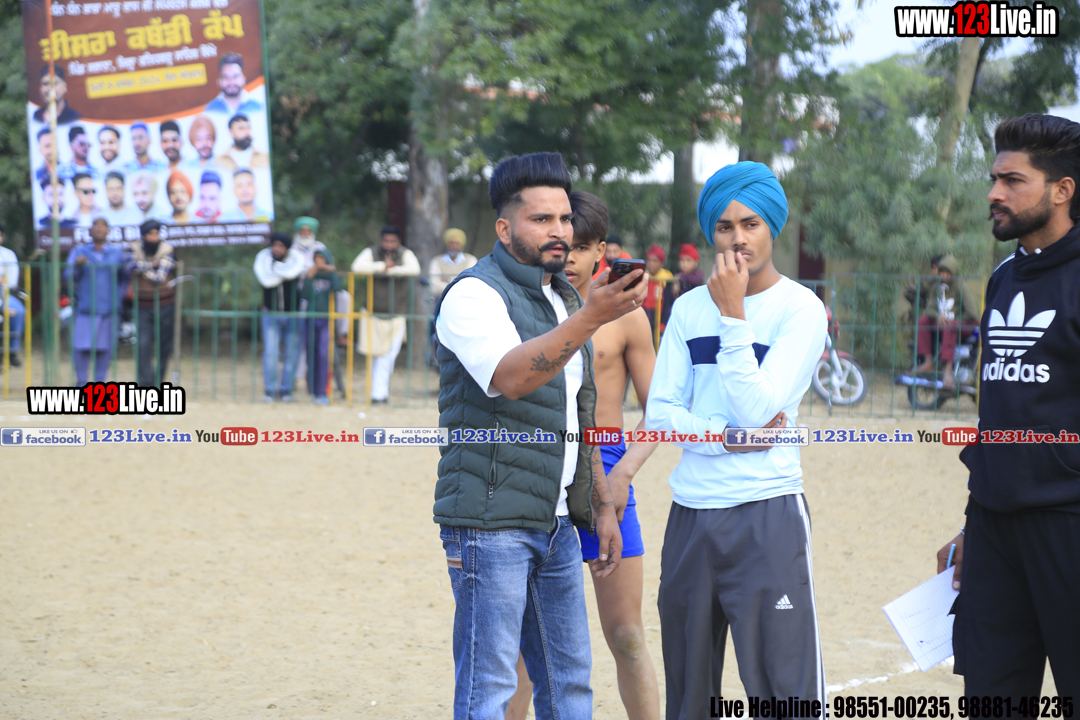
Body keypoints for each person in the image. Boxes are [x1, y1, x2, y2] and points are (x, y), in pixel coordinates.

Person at [433, 152, 644, 719]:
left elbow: (579, 416)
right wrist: (591, 317)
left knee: (570, 685)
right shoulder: (473, 293)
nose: (560, 232)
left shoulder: (561, 298)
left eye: (565, 219)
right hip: (490, 524)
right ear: (505, 229)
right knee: (488, 690)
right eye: (542, 219)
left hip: (557, 526)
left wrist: (601, 505)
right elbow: (511, 377)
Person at [646, 161, 828, 715]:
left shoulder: (801, 309)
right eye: (725, 227)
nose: (738, 238)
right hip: (691, 515)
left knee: (784, 690)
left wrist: (732, 315)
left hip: (766, 512)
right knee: (688, 694)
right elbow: (661, 414)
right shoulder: (686, 308)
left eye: (750, 224)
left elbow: (758, 408)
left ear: (772, 227)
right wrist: (725, 437)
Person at [937, 113, 1080, 697]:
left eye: (1013, 180)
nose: (995, 193)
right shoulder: (1003, 278)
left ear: (1062, 190)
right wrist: (974, 522)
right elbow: (998, 414)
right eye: (994, 179)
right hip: (994, 531)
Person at [507, 189, 662, 720]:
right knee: (525, 644)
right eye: (564, 244)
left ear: (601, 251)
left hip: (608, 467)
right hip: (540, 468)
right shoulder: (523, 310)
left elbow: (660, 411)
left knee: (627, 633)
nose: (569, 256)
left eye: (582, 246)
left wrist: (624, 474)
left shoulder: (629, 319)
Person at [351, 225, 420, 404]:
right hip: (372, 312)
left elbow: (414, 269)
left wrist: (392, 269)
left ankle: (379, 394)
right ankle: (377, 393)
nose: (389, 244)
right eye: (386, 241)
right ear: (381, 240)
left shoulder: (405, 254)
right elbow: (357, 266)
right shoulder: (372, 252)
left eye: (392, 241)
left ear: (398, 241)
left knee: (388, 355)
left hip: (396, 314)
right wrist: (381, 266)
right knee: (374, 355)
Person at [66, 217, 127, 384]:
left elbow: (125, 278)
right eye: (96, 225)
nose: (99, 228)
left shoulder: (117, 253)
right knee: (80, 348)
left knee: (105, 350)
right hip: (85, 308)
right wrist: (77, 266)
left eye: (103, 225)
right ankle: (81, 385)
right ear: (90, 230)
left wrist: (118, 297)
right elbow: (67, 275)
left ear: (108, 231)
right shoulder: (79, 251)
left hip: (110, 310)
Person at [254, 232, 305, 402]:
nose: (276, 249)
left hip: (293, 314)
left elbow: (292, 274)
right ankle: (269, 390)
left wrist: (280, 272)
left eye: (281, 246)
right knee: (271, 353)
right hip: (271, 313)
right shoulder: (264, 261)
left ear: (287, 248)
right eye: (274, 245)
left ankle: (286, 390)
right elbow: (266, 280)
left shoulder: (295, 262)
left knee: (291, 354)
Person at [913, 254, 979, 386]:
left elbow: (972, 312)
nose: (944, 275)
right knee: (923, 321)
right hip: (944, 323)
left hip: (963, 324)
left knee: (951, 326)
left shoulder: (961, 286)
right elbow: (930, 308)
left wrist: (953, 319)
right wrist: (938, 315)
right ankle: (928, 362)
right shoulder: (937, 287)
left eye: (947, 272)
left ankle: (948, 371)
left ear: (953, 272)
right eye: (941, 272)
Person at [126, 220, 177, 387]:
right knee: (142, 345)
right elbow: (129, 266)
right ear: (144, 236)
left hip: (165, 304)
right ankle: (145, 385)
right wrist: (152, 265)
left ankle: (158, 382)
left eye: (157, 234)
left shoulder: (167, 249)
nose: (155, 238)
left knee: (164, 346)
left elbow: (159, 278)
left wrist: (142, 269)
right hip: (142, 305)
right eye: (151, 234)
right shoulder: (134, 248)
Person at [301, 248, 344, 404]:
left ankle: (322, 391)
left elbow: (338, 288)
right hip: (310, 318)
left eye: (321, 258)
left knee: (323, 354)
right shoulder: (311, 274)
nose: (319, 261)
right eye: (316, 258)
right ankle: (312, 390)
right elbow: (304, 295)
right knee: (310, 354)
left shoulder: (330, 275)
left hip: (326, 319)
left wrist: (331, 271)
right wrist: (309, 276)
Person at [0, 223, 25, 367]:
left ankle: (12, 350)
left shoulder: (8, 254)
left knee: (19, 310)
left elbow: (11, 281)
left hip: (3, 294)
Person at [428, 228, 477, 297]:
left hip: (464, 298)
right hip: (441, 299)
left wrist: (447, 280)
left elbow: (470, 283)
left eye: (457, 243)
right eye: (451, 243)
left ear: (461, 245)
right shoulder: (437, 261)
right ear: (447, 244)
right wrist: (458, 282)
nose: (454, 246)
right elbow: (433, 285)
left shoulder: (470, 260)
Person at [641, 244, 673, 338]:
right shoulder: (643, 277)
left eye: (655, 261)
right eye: (649, 260)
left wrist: (663, 323)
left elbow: (667, 303)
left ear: (661, 263)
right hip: (644, 316)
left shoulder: (666, 278)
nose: (651, 264)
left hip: (658, 318)